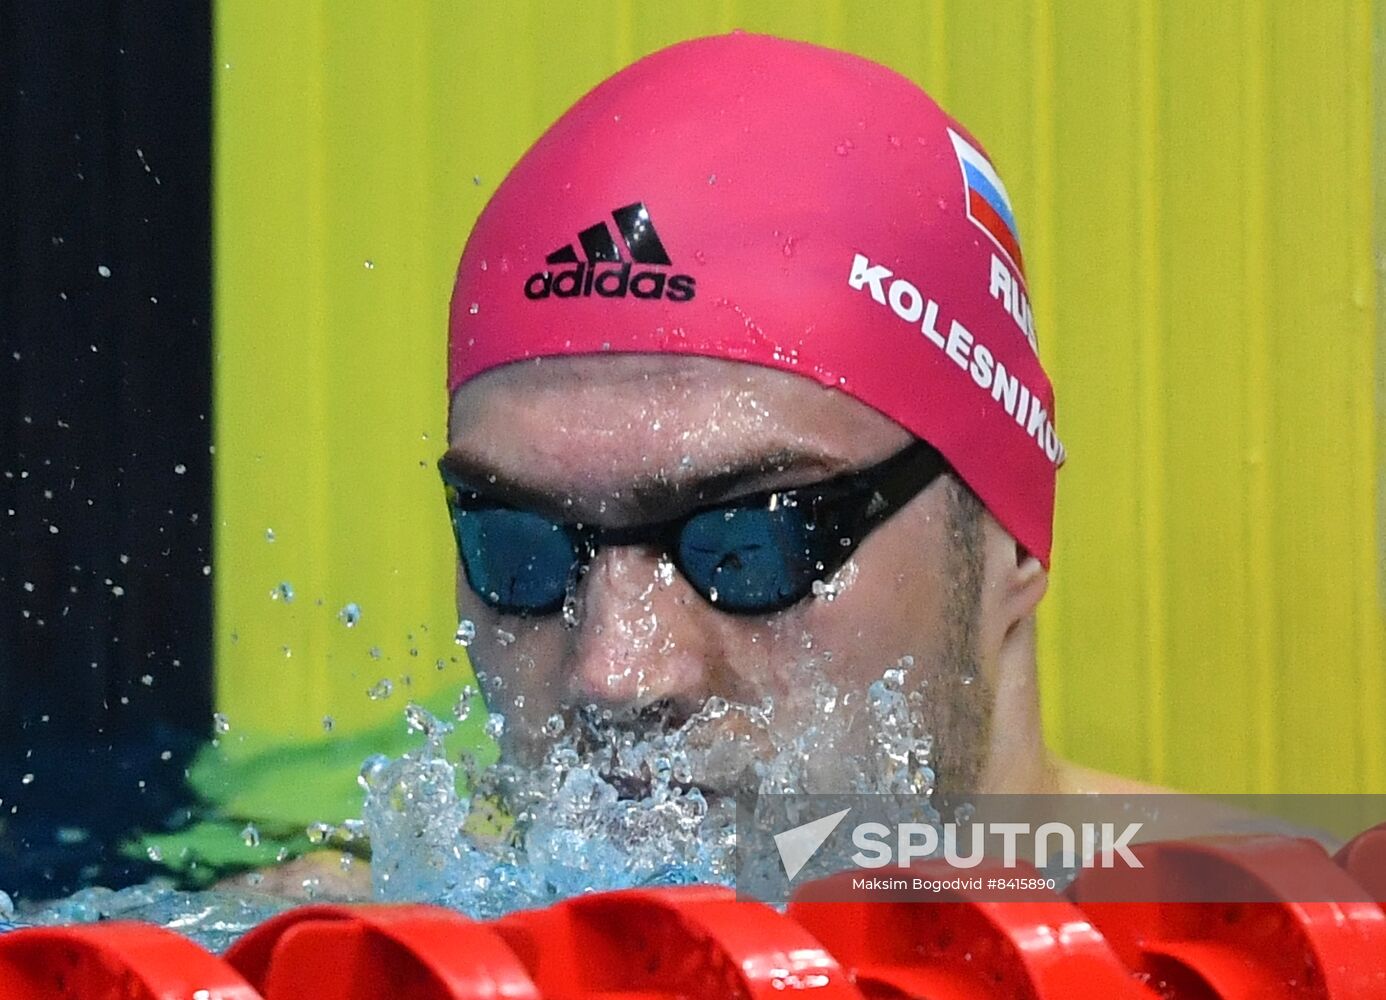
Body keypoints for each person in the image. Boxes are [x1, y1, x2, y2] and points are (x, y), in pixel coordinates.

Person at [440, 31, 1159, 805]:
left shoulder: (1276, 913)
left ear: (1009, 539)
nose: (614, 676)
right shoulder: (356, 917)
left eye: (754, 544)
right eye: (516, 546)